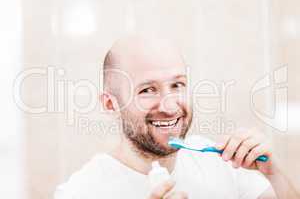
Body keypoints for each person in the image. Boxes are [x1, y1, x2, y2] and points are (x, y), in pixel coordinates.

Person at [54, 36, 299, 199]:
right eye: (147, 90)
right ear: (110, 104)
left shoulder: (221, 163)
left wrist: (273, 173)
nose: (170, 107)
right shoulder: (81, 192)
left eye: (177, 85)